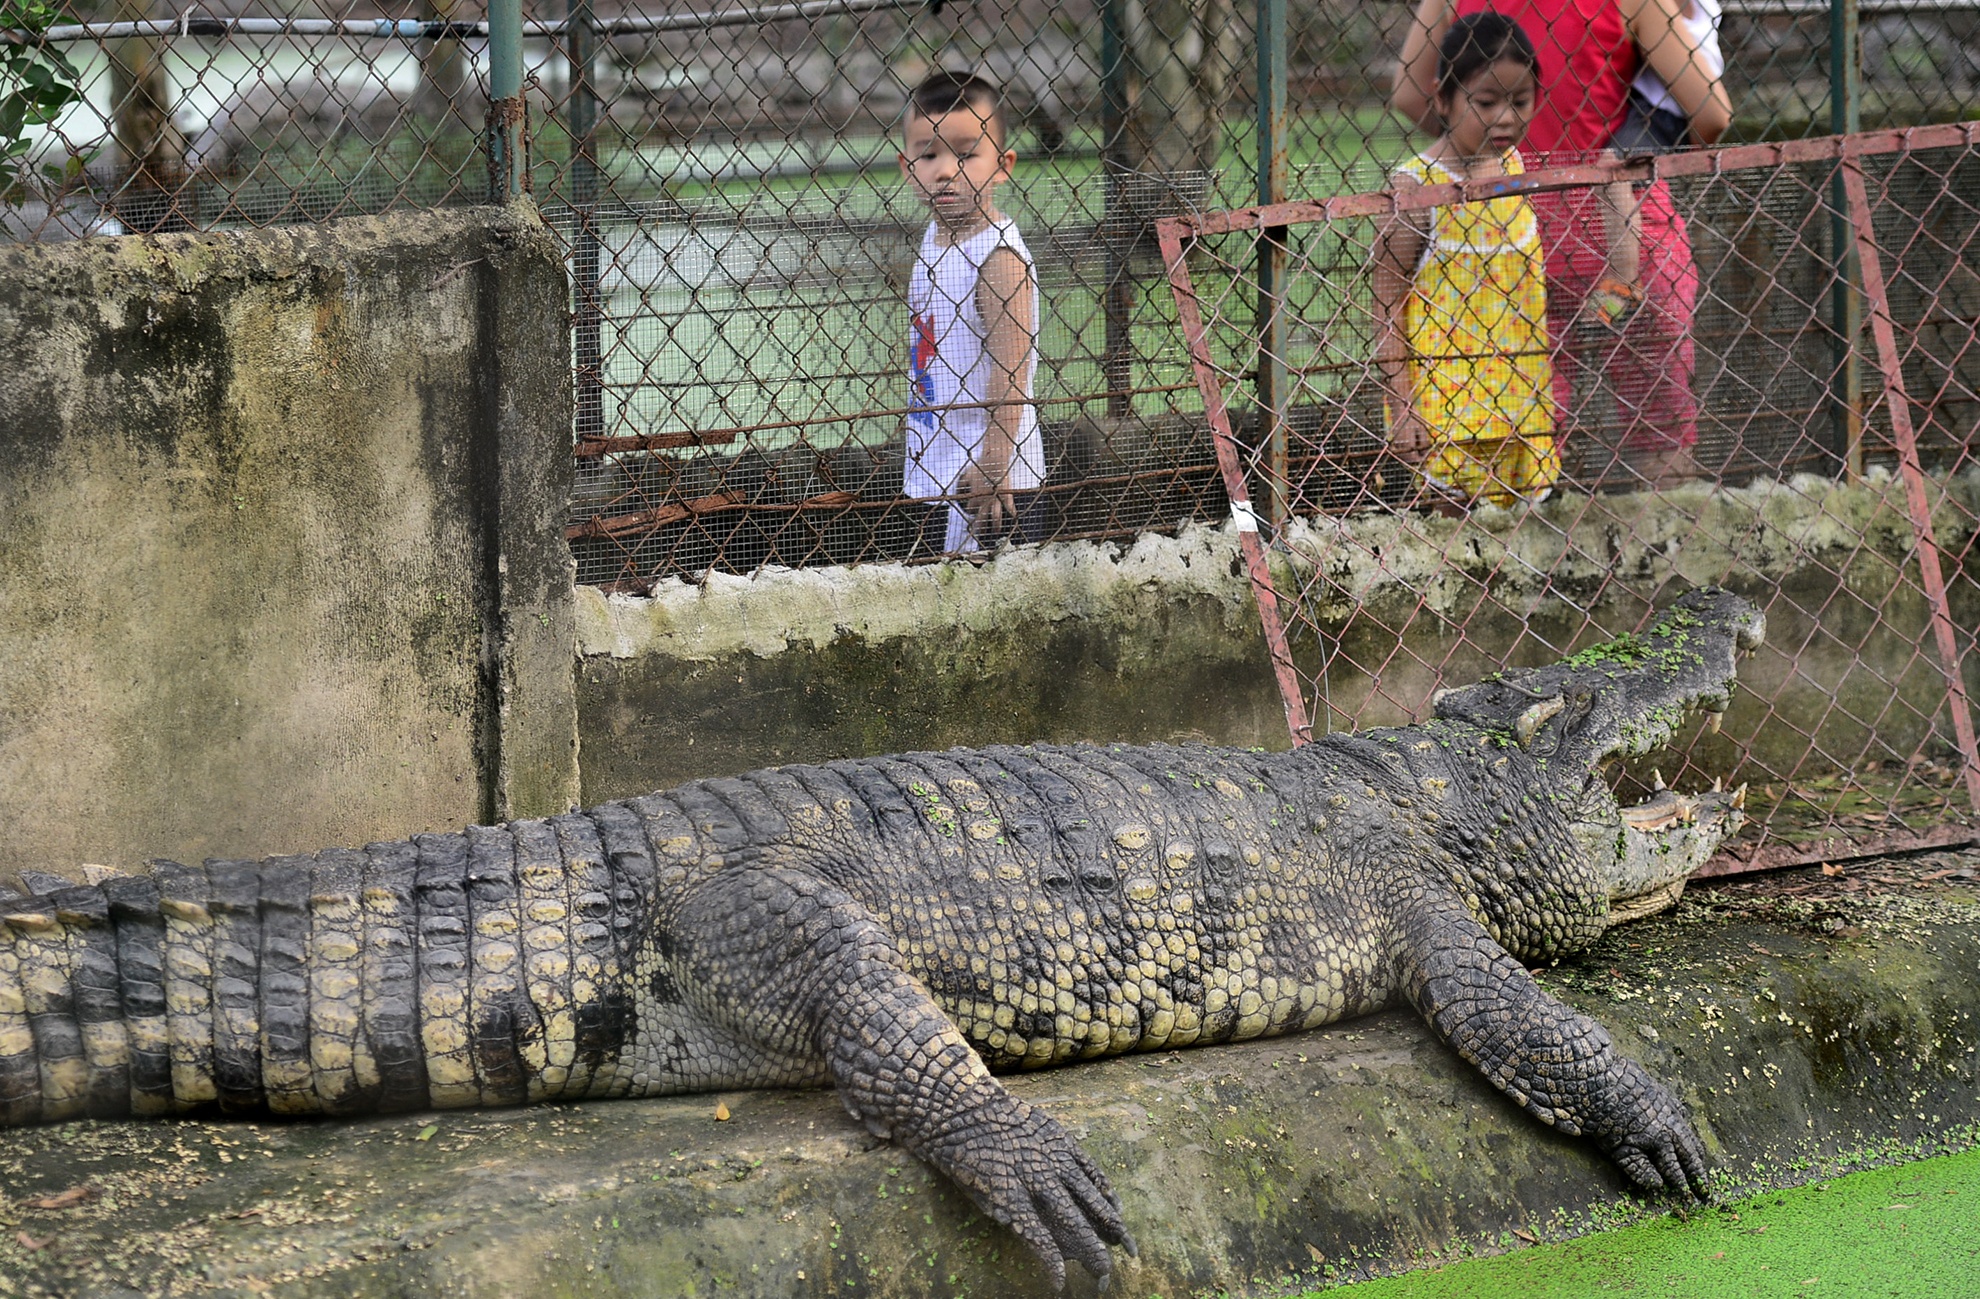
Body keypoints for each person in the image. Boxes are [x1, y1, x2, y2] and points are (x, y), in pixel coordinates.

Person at [1394, 0, 1732, 489]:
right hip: (1624, 225)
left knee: (1524, 435)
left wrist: (1486, 139)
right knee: (1659, 430)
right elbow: (1712, 115)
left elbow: (1410, 94)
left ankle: (1516, 548)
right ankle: (1667, 547)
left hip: (1513, 231)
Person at [1372, 12, 1560, 509]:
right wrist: (1403, 409)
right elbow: (1386, 306)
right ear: (1442, 98)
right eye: (1485, 102)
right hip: (1446, 421)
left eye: (1520, 102)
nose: (1505, 118)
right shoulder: (1415, 190)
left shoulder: (1524, 174)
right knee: (1454, 555)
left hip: (1525, 413)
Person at [897, 70, 1045, 557]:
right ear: (906, 166)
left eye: (965, 153)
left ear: (1001, 165)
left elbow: (1011, 368)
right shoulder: (933, 238)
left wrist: (996, 460)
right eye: (929, 154)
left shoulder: (998, 258)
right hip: (936, 465)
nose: (945, 170)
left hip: (991, 482)